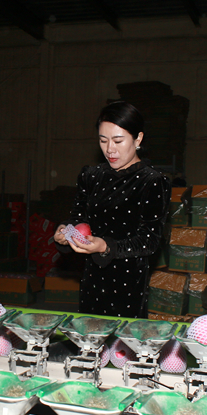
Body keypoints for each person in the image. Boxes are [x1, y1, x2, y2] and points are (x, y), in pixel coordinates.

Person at [54, 101, 171, 318]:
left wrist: (105, 246)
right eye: (103, 140)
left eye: (118, 141)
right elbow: (78, 217)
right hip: (92, 280)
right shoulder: (91, 176)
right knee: (90, 334)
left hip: (128, 284)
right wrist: (65, 231)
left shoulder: (152, 182)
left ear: (138, 139)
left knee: (122, 338)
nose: (110, 149)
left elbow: (149, 240)